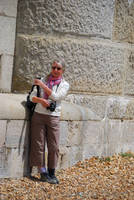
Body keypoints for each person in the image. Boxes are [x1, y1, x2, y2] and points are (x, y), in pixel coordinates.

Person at [29, 59, 69, 184]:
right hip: (38, 115)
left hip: (53, 117)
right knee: (38, 144)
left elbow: (56, 97)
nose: (55, 70)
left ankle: (52, 172)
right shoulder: (43, 80)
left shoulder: (64, 84)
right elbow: (31, 97)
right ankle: (43, 172)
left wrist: (42, 86)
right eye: (53, 68)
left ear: (63, 70)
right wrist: (41, 101)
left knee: (54, 146)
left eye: (58, 68)